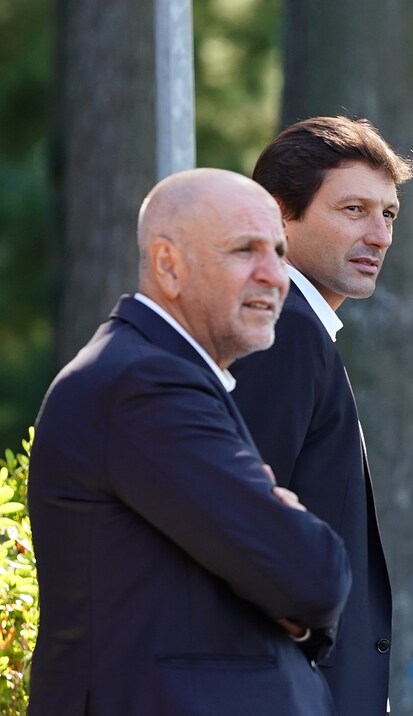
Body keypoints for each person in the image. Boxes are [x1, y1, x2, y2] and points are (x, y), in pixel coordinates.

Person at [27, 168, 352, 715]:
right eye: (245, 250)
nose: (275, 275)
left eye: (278, 251)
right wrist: (283, 531)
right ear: (168, 265)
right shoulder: (144, 384)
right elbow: (313, 575)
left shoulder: (158, 376)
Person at [229, 115, 413, 715]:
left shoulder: (295, 328)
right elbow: (240, 529)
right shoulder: (282, 331)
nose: (380, 236)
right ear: (279, 214)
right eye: (354, 210)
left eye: (388, 214)